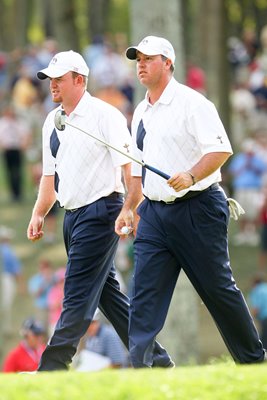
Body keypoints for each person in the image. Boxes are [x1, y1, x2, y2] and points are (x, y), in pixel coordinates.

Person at [115, 35, 266, 367]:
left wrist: (191, 175)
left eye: (148, 59)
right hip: (154, 213)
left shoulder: (193, 103)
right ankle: (142, 368)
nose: (140, 64)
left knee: (218, 291)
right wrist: (130, 208)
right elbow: (139, 170)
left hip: (198, 208)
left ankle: (254, 361)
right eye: (137, 59)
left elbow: (220, 149)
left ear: (168, 63)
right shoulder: (141, 110)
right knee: (142, 295)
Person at [26, 50, 173, 371]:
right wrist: (39, 213)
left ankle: (52, 365)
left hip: (101, 213)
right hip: (72, 217)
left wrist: (129, 208)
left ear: (79, 80)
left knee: (76, 294)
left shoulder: (105, 115)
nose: (52, 85)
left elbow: (129, 168)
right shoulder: (52, 121)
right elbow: (50, 176)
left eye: (59, 79)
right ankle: (157, 360)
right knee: (110, 299)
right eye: (49, 80)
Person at [0, 225, 23, 335]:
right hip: (6, 279)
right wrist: (21, 285)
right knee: (5, 305)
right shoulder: (8, 251)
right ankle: (5, 328)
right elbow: (16, 270)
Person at [248, 273, 267, 349]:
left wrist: (249, 319)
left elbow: (256, 308)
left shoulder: (256, 290)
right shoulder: (265, 287)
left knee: (264, 339)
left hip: (265, 318)